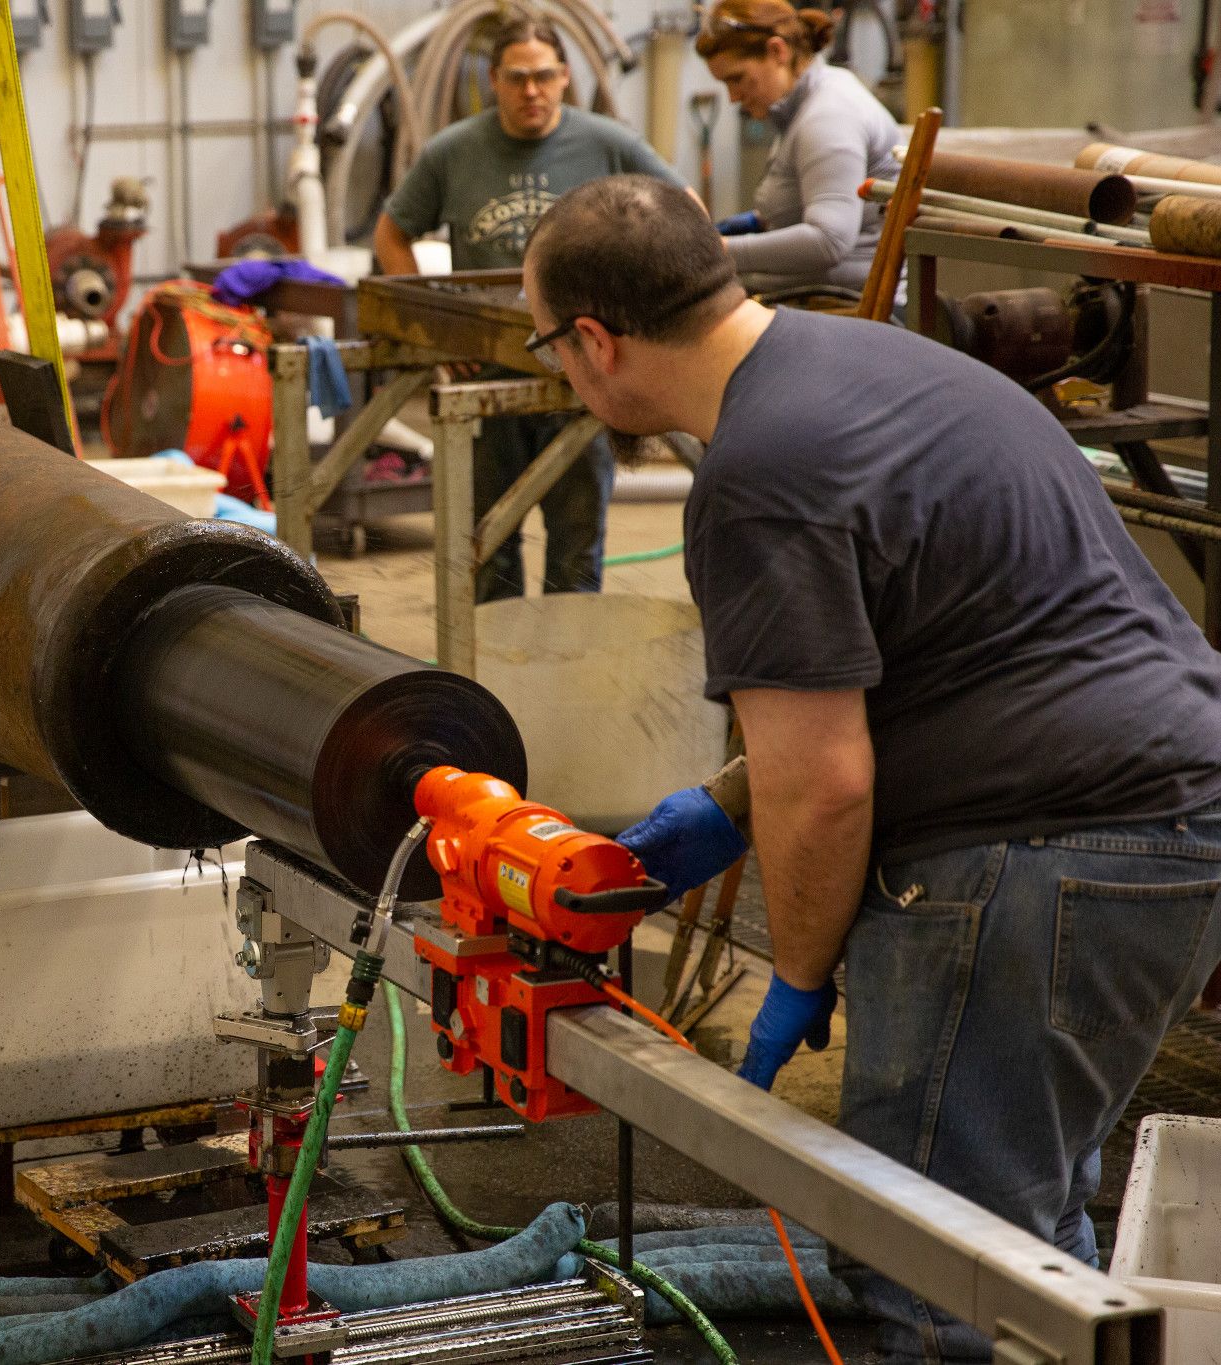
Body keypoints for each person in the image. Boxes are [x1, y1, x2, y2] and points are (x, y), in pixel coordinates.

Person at [528, 175, 1221, 1364]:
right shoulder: (873, 362)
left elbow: (828, 784)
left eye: (549, 346)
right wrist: (731, 805)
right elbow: (937, 648)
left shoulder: (756, 471)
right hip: (1174, 820)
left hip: (1037, 856)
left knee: (934, 1273)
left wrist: (796, 973)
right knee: (1033, 1257)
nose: (558, 372)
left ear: (595, 340)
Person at [373, 19, 684, 599]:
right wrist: (441, 328)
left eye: (544, 76)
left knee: (577, 548)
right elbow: (392, 234)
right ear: (494, 81)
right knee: (488, 547)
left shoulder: (606, 143)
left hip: (585, 376)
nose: (532, 91)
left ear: (565, 77)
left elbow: (682, 208)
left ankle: (565, 678)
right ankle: (498, 678)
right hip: (487, 372)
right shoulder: (453, 152)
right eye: (517, 78)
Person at [697, 0, 901, 298]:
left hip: (846, 306)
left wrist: (716, 251)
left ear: (777, 51)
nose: (732, 97)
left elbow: (828, 240)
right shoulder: (800, 108)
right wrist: (749, 223)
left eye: (737, 79)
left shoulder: (828, 115)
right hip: (814, 298)